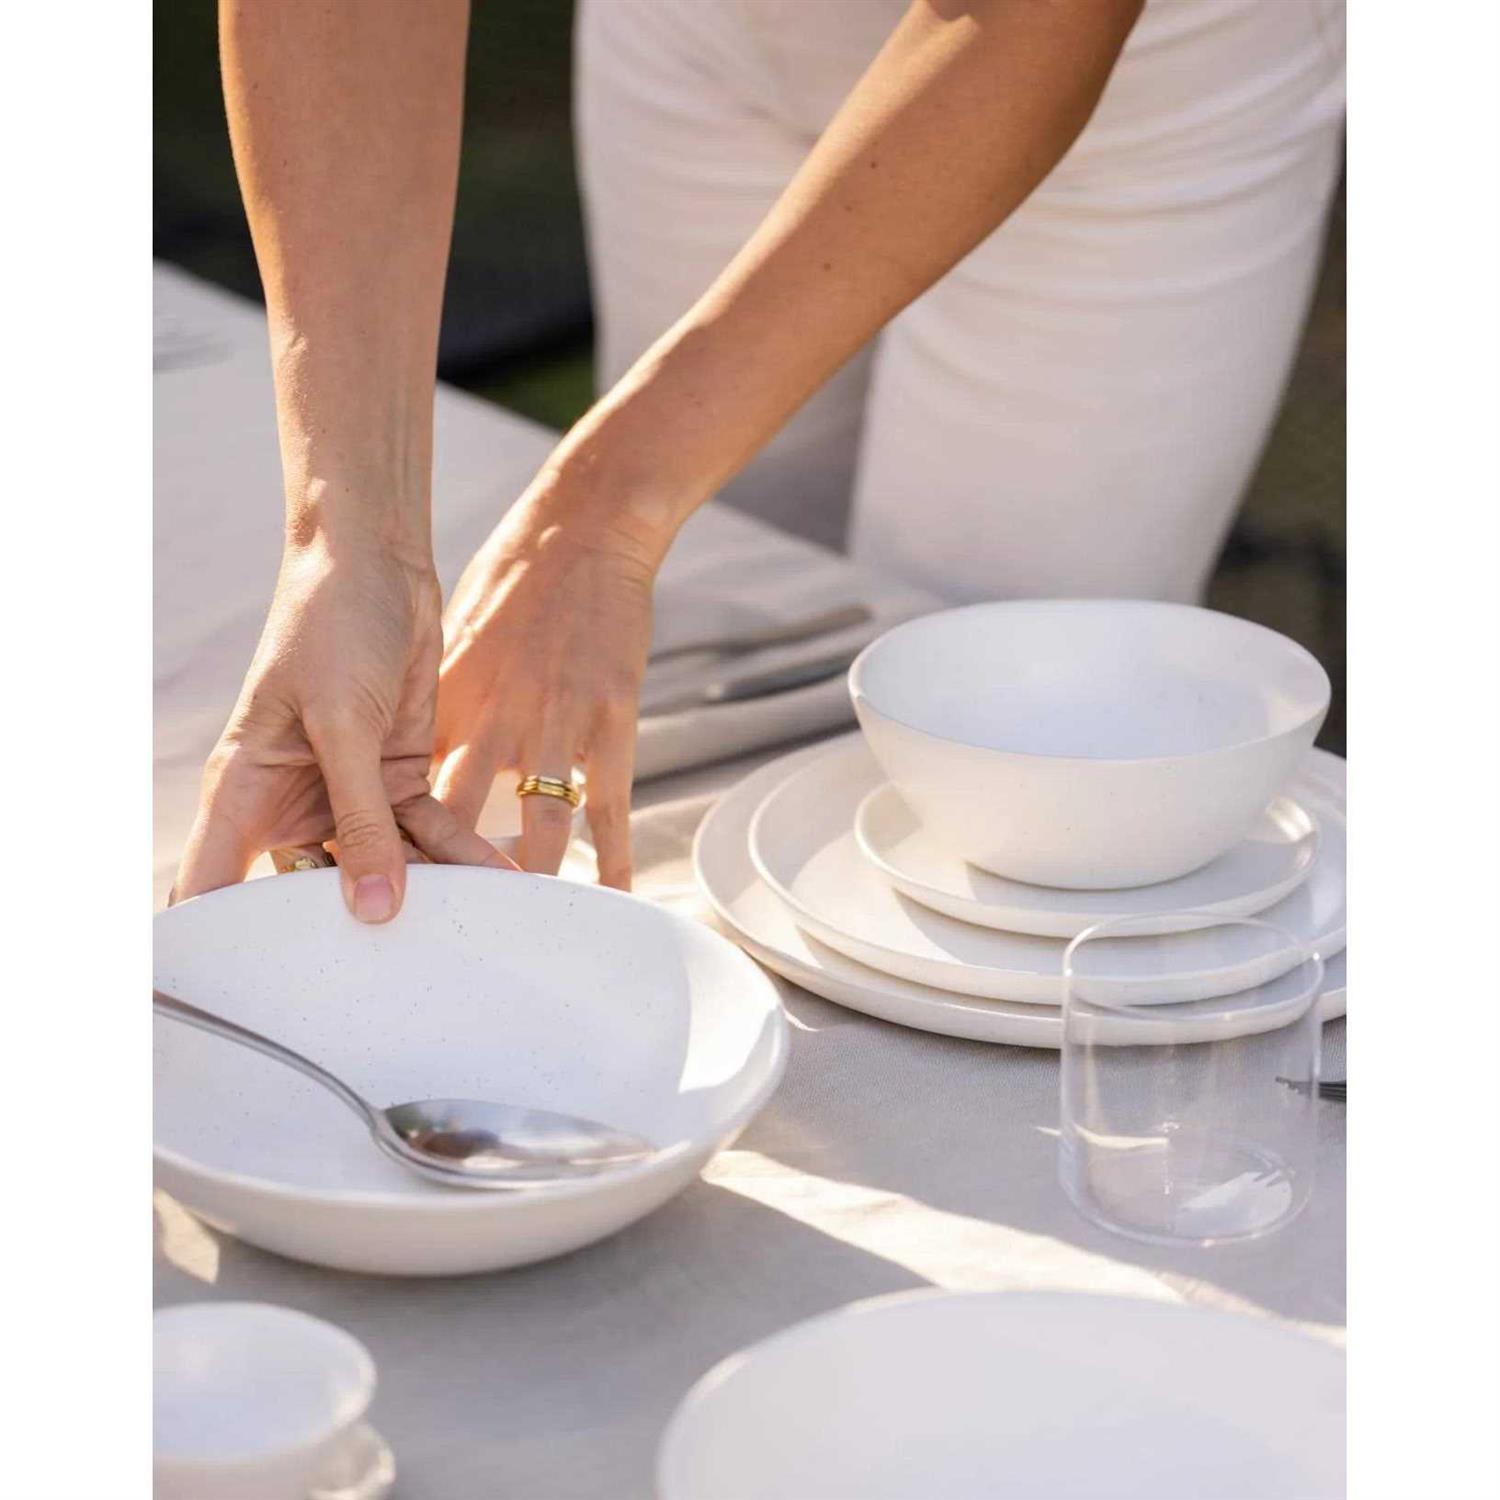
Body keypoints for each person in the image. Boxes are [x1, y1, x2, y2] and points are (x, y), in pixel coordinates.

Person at [174, 0, 1345, 923]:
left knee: (1011, 745)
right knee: (721, 627)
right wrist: (350, 540)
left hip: (1121, 70)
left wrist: (602, 512)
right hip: (706, 33)